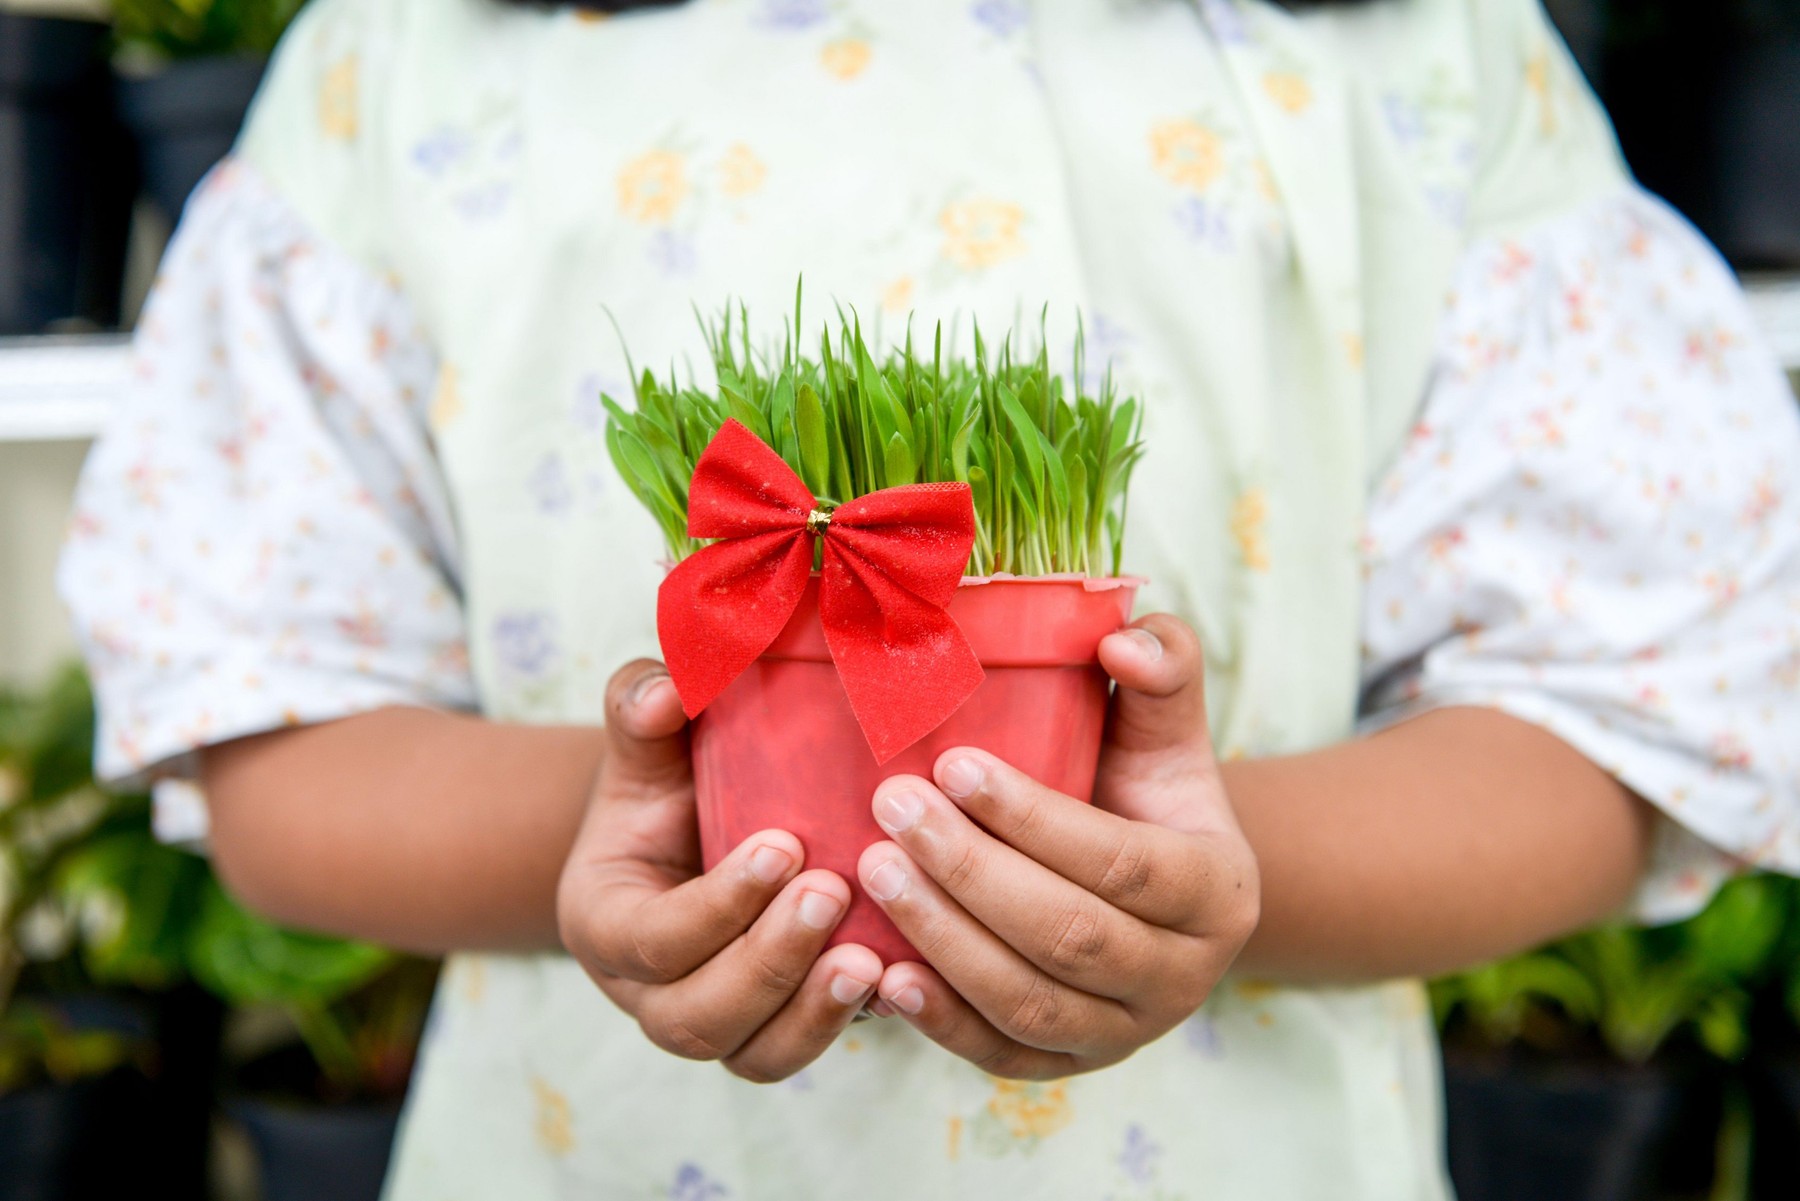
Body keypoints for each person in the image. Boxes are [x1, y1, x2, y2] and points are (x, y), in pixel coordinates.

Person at [58, 0, 1800, 1196]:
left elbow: (1619, 703)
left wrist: (1205, 880)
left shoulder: (1420, 45)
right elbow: (271, 721)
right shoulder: (415, 52)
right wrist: (671, 836)